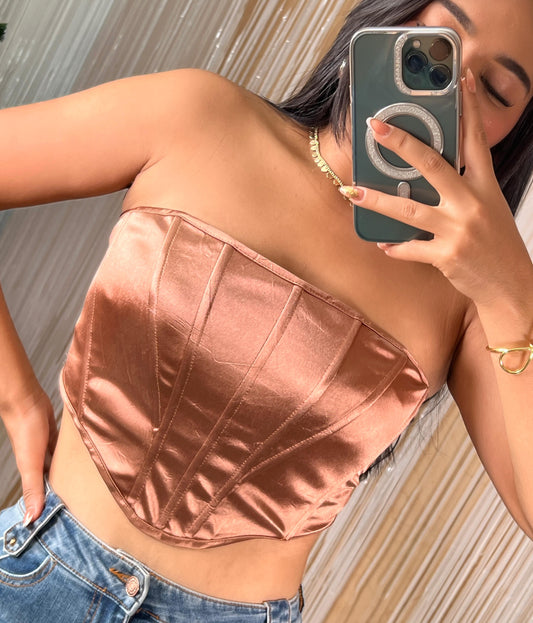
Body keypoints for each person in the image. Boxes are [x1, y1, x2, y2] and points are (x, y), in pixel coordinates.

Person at [0, 0, 532, 620]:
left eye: (496, 90)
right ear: (390, 13)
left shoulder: (469, 298)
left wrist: (512, 291)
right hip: (31, 580)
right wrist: (18, 400)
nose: (454, 86)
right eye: (438, 39)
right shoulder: (195, 116)